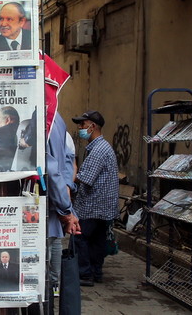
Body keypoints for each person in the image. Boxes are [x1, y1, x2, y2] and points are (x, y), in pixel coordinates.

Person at [71, 110, 119, 287]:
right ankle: (96, 272)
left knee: (80, 237)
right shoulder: (100, 147)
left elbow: (85, 177)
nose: (80, 128)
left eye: (83, 124)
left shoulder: (99, 149)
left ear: (93, 126)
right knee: (97, 240)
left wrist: (70, 172)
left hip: (94, 205)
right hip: (102, 205)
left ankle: (85, 274)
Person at [45, 112, 81, 296]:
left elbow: (54, 170)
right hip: (57, 200)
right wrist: (66, 205)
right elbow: (68, 166)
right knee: (53, 243)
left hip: (50, 201)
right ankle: (53, 286)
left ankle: (51, 287)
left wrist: (66, 210)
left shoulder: (48, 119)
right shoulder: (58, 120)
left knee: (49, 250)